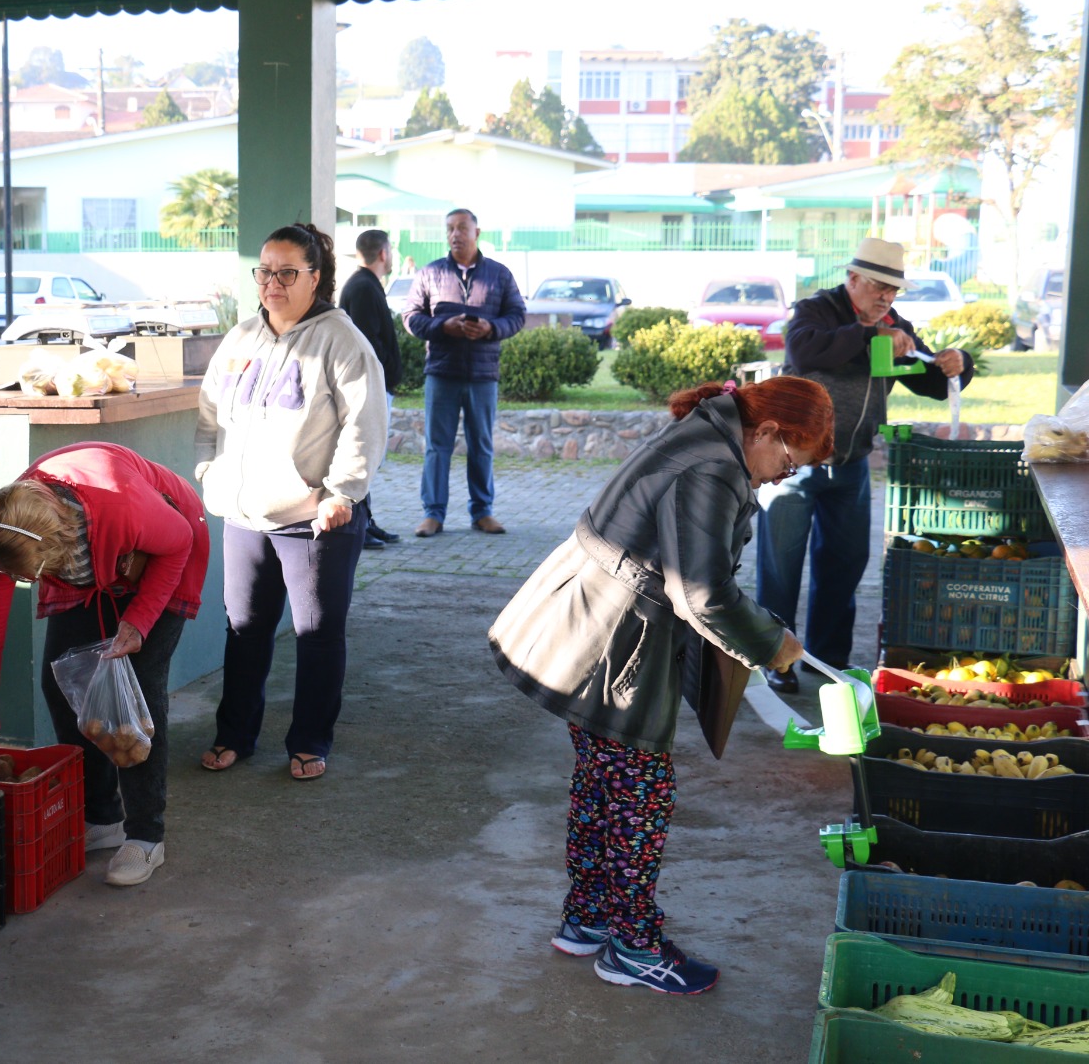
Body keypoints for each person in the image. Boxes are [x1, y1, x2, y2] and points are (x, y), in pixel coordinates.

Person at [488, 376, 831, 995]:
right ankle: (633, 948)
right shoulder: (713, 469)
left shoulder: (709, 437)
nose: (784, 476)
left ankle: (588, 918)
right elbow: (702, 593)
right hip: (612, 638)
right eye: (788, 461)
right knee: (641, 796)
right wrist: (771, 643)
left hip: (591, 622)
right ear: (768, 432)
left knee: (601, 783)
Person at [0, 441, 210, 887]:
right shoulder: (6, 532)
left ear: (53, 553)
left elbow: (179, 541)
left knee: (134, 700)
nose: (16, 581)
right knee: (63, 683)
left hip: (166, 550)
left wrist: (139, 620)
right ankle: (101, 817)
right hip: (88, 551)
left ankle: (146, 836)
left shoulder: (122, 508)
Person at [194, 222, 389, 781]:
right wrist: (211, 471)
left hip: (315, 519)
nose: (271, 282)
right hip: (245, 514)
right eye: (264, 271)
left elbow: (365, 424)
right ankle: (234, 735)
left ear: (315, 277)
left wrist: (343, 493)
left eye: (286, 272)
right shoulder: (241, 339)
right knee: (244, 629)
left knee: (317, 635)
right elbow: (209, 415)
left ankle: (309, 741)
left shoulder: (341, 340)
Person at [757, 237, 974, 693]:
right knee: (781, 569)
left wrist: (957, 364)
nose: (886, 298)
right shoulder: (816, 311)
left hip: (851, 467)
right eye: (878, 287)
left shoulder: (894, 325)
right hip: (790, 466)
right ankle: (775, 661)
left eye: (893, 291)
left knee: (844, 567)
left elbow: (932, 381)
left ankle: (826, 662)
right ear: (852, 279)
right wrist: (868, 336)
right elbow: (804, 351)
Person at [403, 208, 525, 537]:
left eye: (461, 228)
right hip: (442, 373)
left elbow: (517, 315)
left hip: (483, 375)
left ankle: (482, 512)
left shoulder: (499, 274)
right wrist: (444, 326)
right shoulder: (429, 273)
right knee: (436, 446)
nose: (455, 234)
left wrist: (490, 328)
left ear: (477, 233)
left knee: (481, 445)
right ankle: (433, 514)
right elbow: (411, 317)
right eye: (449, 229)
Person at [339, 228, 402, 550]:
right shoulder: (363, 286)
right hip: (368, 389)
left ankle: (367, 522)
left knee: (368, 458)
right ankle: (360, 527)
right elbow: (367, 342)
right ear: (383, 253)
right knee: (363, 457)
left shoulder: (365, 284)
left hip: (376, 386)